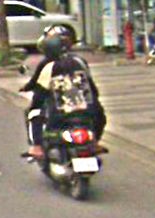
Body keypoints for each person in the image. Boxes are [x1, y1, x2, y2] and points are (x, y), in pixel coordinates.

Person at [21, 25, 107, 159]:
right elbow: (92, 89)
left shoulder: (49, 66)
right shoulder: (80, 61)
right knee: (100, 113)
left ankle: (36, 147)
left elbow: (39, 94)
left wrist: (34, 101)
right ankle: (95, 142)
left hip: (60, 116)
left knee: (34, 112)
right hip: (88, 113)